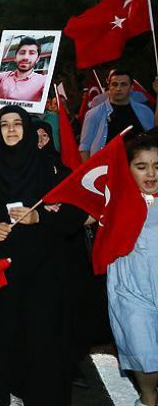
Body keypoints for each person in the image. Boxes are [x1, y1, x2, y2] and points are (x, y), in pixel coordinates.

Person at [0, 106, 88, 406]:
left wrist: (41, 220)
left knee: (42, 341)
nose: (11, 130)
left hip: (44, 274)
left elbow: (77, 211)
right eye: (5, 125)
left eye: (17, 124)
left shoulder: (50, 168)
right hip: (4, 274)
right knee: (5, 339)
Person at [106, 134, 158, 406]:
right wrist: (41, 214)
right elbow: (78, 212)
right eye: (141, 166)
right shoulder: (113, 200)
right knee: (144, 353)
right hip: (131, 292)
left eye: (157, 166)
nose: (150, 174)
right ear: (127, 169)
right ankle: (148, 398)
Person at [80, 70, 156, 160]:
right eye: (114, 84)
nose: (118, 88)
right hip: (107, 167)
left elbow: (153, 140)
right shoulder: (94, 114)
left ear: (131, 87)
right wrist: (90, 172)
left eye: (123, 84)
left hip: (137, 166)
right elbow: (85, 147)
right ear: (109, 87)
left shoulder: (145, 111)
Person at [0, 37, 46, 102]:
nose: (25, 57)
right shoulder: (2, 76)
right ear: (15, 57)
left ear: (38, 59)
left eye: (32, 53)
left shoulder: (43, 80)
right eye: (22, 53)